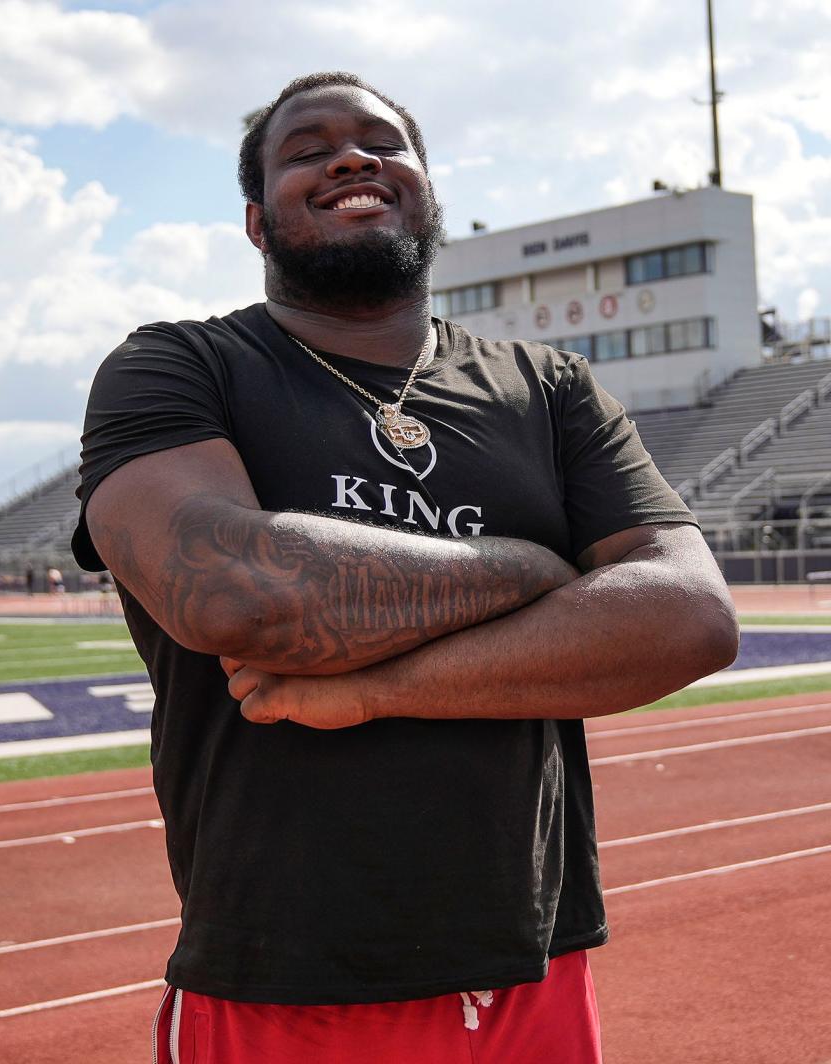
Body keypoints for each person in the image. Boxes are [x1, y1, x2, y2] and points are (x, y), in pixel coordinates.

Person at [72, 72, 738, 1064]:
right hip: (288, 974)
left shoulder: (547, 387)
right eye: (307, 150)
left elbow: (690, 616)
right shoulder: (178, 366)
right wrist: (533, 566)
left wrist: (377, 685)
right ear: (256, 222)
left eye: (385, 144)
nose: (351, 157)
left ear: (427, 190)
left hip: (534, 962)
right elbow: (238, 595)